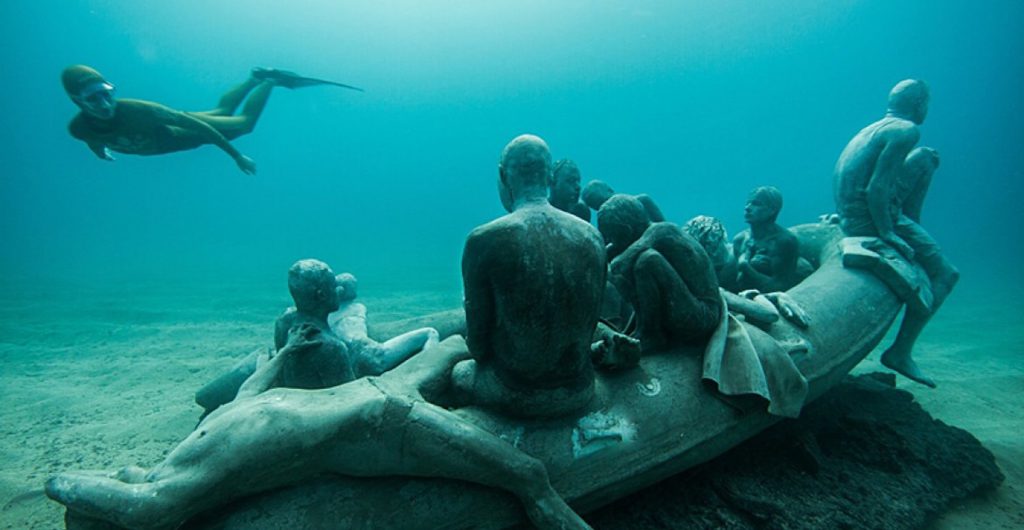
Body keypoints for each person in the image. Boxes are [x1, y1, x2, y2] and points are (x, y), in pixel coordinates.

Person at [45, 335, 592, 530]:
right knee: (450, 351)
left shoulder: (190, 462)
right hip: (372, 404)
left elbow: (146, 509)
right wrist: (280, 355)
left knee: (529, 479)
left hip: (378, 419)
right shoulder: (211, 431)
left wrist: (63, 482)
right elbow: (253, 386)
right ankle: (593, 341)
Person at [453, 134, 607, 417]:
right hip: (581, 388)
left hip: (516, 392)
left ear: (503, 176)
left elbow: (477, 347)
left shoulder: (483, 240)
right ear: (549, 176)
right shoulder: (592, 236)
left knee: (460, 373)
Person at [834, 80, 959, 388]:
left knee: (927, 157)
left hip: (852, 214)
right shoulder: (906, 131)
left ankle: (912, 224)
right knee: (946, 275)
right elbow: (878, 187)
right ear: (920, 104)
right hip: (870, 220)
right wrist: (888, 233)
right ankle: (901, 352)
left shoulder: (872, 129)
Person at [61, 65, 360, 174]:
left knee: (243, 124)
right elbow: (92, 138)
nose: (104, 104)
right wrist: (101, 154)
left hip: (183, 131)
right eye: (92, 99)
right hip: (173, 133)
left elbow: (198, 127)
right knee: (221, 112)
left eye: (107, 94)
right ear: (77, 101)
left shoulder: (139, 110)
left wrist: (236, 155)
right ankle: (254, 78)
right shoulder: (78, 129)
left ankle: (271, 82)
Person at [598, 195, 722, 353]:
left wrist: (607, 259)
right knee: (637, 262)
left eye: (612, 234)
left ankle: (651, 335)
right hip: (686, 307)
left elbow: (620, 264)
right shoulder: (640, 235)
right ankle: (644, 329)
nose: (610, 240)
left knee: (647, 261)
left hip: (702, 316)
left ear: (627, 228)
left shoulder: (661, 230)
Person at [684, 215, 809, 329]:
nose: (713, 254)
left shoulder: (745, 255)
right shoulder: (698, 269)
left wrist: (777, 295)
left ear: (723, 240)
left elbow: (777, 282)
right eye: (706, 249)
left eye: (714, 246)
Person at [327, 272, 440, 376]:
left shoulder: (328, 315)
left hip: (349, 364)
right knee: (430, 332)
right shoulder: (359, 307)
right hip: (374, 356)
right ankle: (427, 372)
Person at [732, 186, 811, 293]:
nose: (747, 207)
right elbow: (740, 281)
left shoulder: (784, 242)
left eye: (756, 204)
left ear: (772, 210)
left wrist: (746, 266)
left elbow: (782, 286)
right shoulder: (739, 240)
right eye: (748, 203)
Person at [581, 179, 666, 222]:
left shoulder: (643, 201)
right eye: (600, 208)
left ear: (610, 190)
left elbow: (664, 226)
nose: (608, 208)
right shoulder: (606, 223)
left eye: (606, 201)